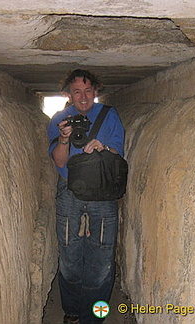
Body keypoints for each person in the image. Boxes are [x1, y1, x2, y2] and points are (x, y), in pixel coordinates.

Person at [47, 69, 125, 323]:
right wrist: (63, 139)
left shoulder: (109, 115)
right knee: (69, 252)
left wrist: (104, 148)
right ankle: (71, 310)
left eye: (88, 90)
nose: (83, 97)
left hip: (103, 192)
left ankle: (94, 316)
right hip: (70, 189)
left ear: (95, 92)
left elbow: (118, 152)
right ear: (68, 94)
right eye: (77, 91)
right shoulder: (60, 119)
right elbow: (59, 162)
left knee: (102, 256)